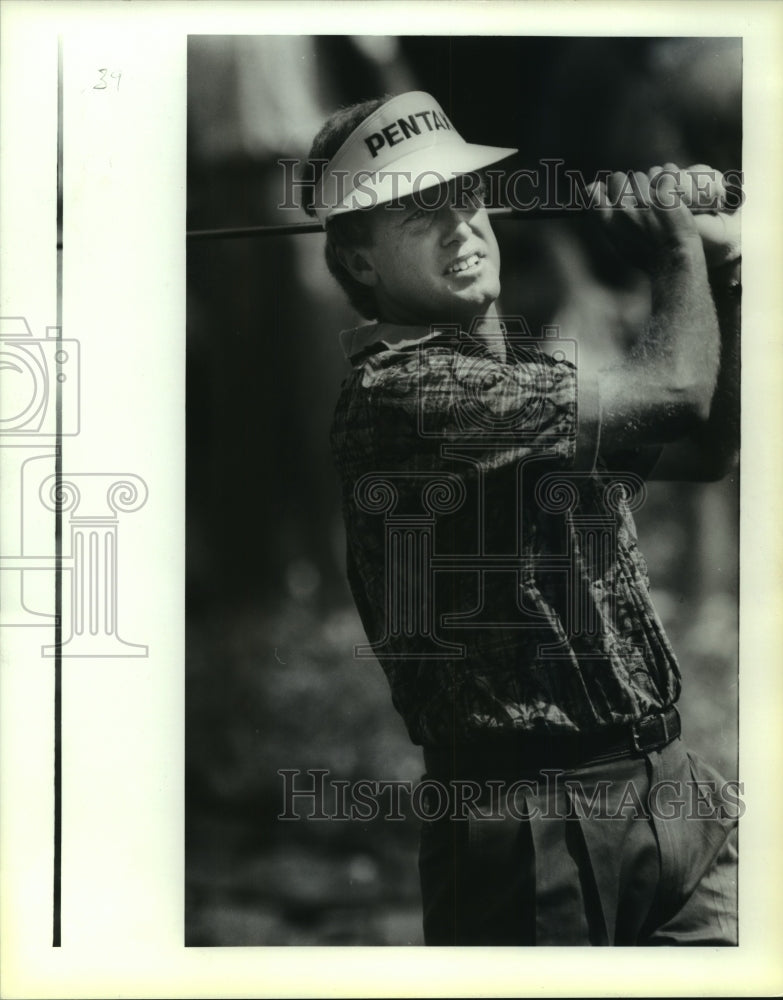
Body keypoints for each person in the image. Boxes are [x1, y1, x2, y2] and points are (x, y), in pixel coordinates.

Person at [303, 91, 741, 945]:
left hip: (675, 795)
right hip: (529, 825)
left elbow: (708, 450)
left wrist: (724, 274)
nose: (457, 224)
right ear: (357, 263)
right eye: (415, 212)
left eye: (464, 196)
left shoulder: (526, 373)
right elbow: (679, 395)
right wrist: (674, 252)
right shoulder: (401, 394)